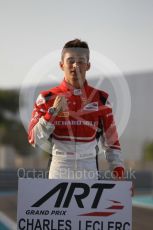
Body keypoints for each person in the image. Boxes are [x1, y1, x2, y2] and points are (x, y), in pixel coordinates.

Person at [28, 39, 124, 180]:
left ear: (88, 65)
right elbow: (33, 139)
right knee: (58, 204)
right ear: (61, 65)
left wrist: (119, 174)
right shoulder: (46, 98)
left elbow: (112, 144)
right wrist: (52, 113)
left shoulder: (101, 99)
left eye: (80, 61)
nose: (75, 65)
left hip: (89, 167)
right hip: (60, 166)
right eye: (70, 60)